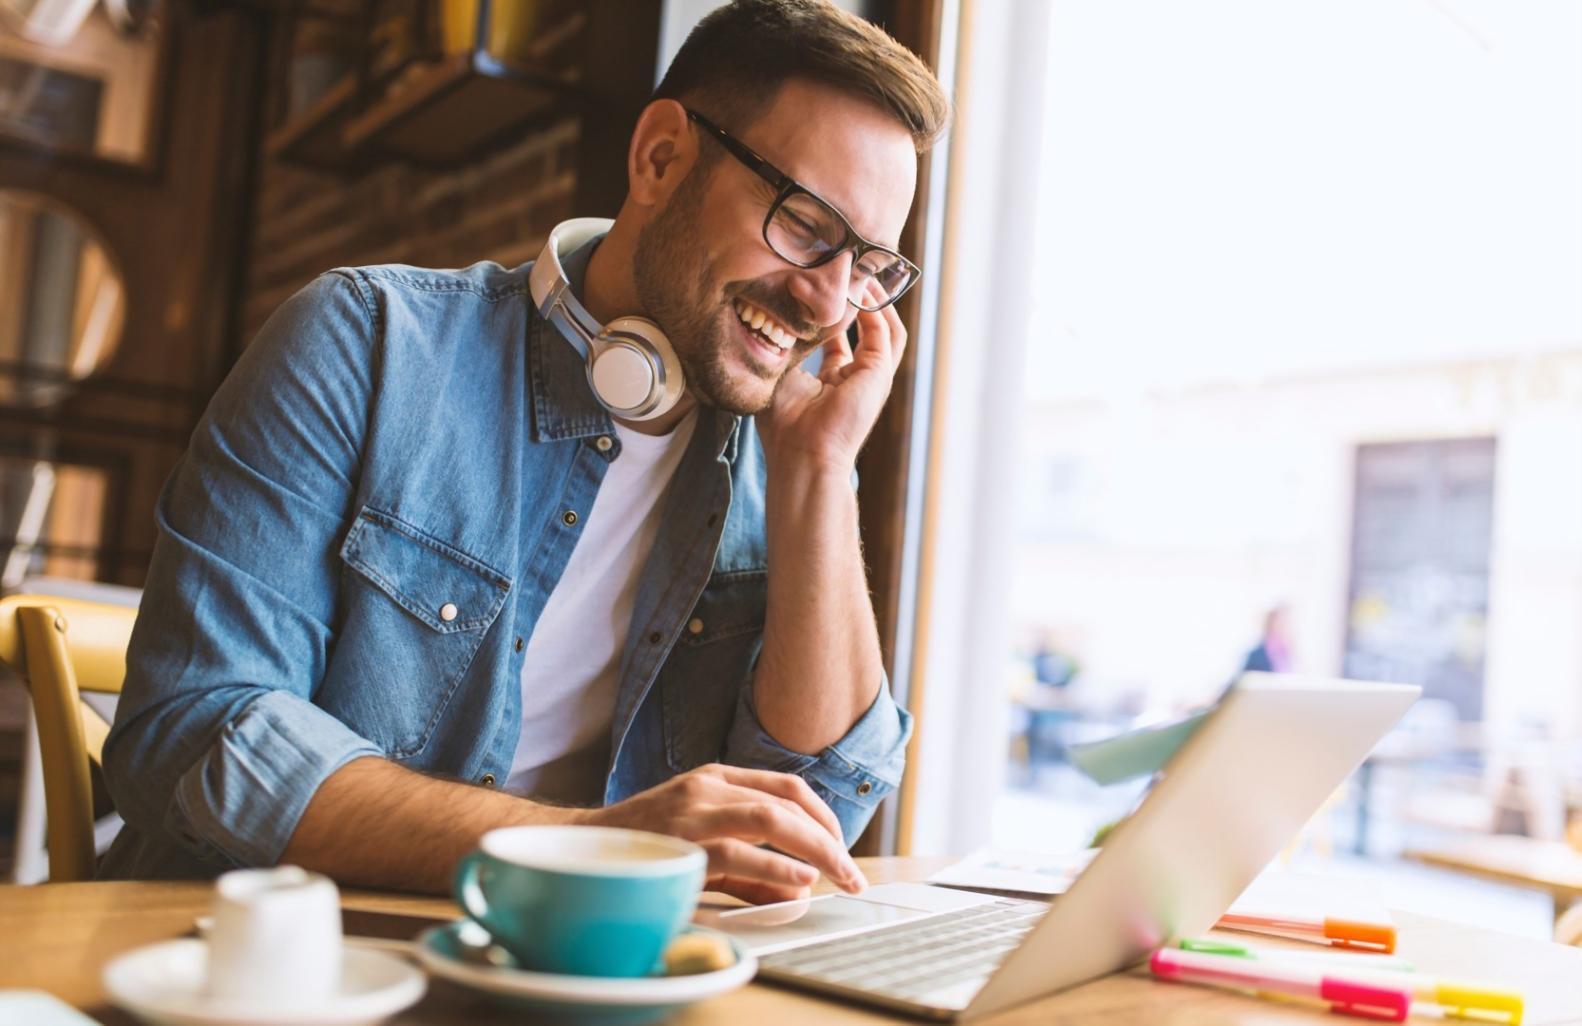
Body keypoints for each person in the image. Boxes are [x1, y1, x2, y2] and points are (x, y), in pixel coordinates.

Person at [99, 0, 950, 907]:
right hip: (262, 964)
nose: (828, 303)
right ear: (661, 158)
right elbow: (195, 732)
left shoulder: (779, 459)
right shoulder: (366, 343)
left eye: (867, 265)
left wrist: (820, 474)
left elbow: (814, 817)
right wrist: (590, 845)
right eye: (807, 225)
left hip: (560, 977)